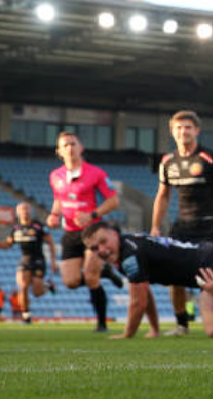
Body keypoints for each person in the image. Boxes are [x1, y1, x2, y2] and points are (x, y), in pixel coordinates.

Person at [83, 220, 213, 339]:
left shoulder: (130, 255)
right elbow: (145, 295)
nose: (102, 250)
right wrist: (155, 329)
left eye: (103, 241)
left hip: (212, 264)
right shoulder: (128, 249)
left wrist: (127, 334)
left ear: (114, 234)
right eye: (95, 248)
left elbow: (138, 301)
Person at [151, 109, 213, 336]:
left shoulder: (212, 158)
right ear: (172, 132)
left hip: (210, 227)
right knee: (173, 275)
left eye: (187, 127)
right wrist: (156, 226)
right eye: (178, 127)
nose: (183, 131)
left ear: (196, 130)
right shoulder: (167, 162)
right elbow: (163, 195)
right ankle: (181, 324)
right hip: (182, 227)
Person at [47, 130, 120, 332]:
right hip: (70, 233)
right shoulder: (55, 176)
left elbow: (114, 200)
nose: (70, 148)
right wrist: (54, 215)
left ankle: (102, 323)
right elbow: (58, 200)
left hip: (92, 231)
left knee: (90, 278)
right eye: (65, 145)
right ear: (59, 151)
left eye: (73, 143)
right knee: (70, 282)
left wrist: (93, 214)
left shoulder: (96, 173)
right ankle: (105, 271)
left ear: (81, 148)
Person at [0, 203, 58, 324]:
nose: (25, 211)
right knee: (23, 286)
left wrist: (53, 261)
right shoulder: (16, 229)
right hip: (25, 259)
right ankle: (26, 315)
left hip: (38, 259)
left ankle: (48, 286)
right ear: (17, 213)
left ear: (30, 211)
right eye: (22, 209)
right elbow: (9, 244)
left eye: (26, 209)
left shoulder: (38, 226)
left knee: (37, 292)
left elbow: (50, 242)